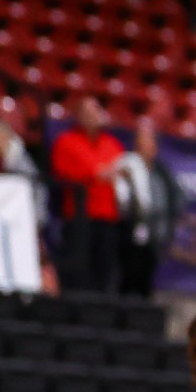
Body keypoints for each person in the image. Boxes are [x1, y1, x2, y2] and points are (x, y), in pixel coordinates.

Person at [50, 97, 124, 292]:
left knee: (105, 270)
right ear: (79, 116)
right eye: (89, 112)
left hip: (108, 216)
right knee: (79, 270)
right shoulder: (66, 142)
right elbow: (62, 173)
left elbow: (120, 173)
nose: (94, 116)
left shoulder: (112, 144)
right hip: (79, 216)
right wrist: (96, 174)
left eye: (96, 111)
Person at [114, 120, 181, 299]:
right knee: (125, 279)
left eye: (149, 143)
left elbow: (176, 199)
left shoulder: (163, 173)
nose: (146, 148)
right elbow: (122, 199)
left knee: (147, 281)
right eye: (142, 143)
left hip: (154, 235)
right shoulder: (127, 166)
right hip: (127, 233)